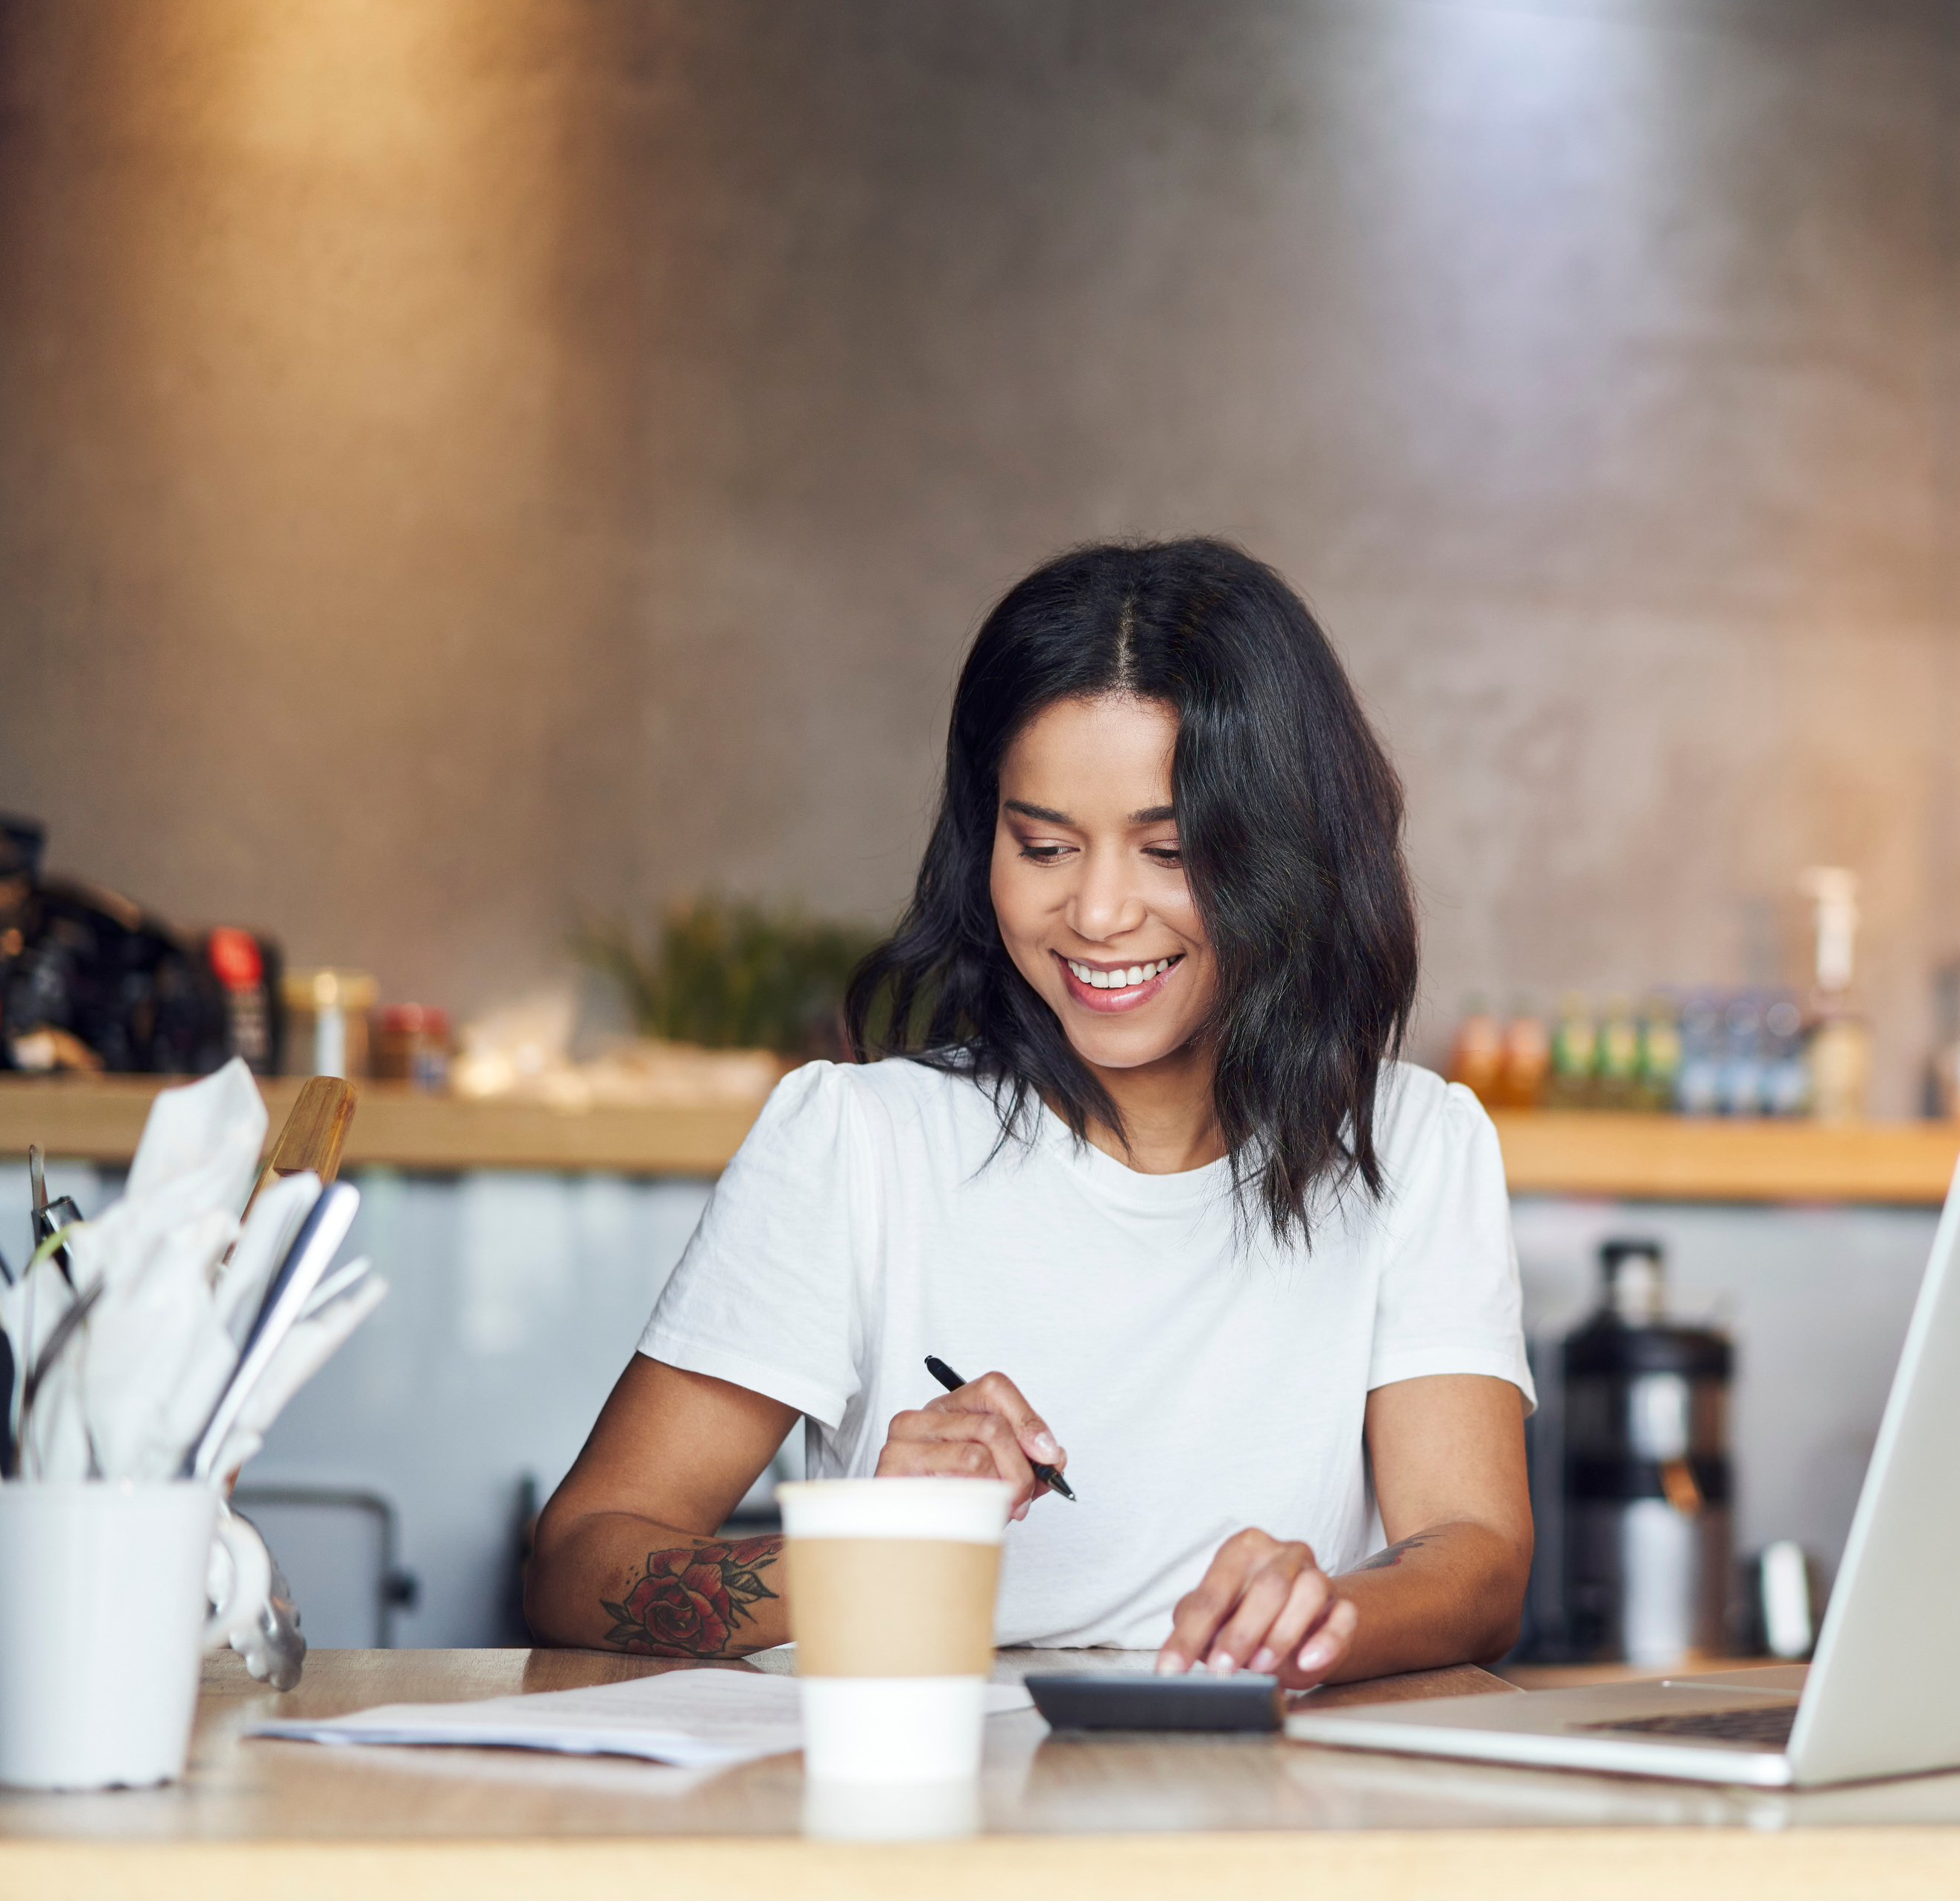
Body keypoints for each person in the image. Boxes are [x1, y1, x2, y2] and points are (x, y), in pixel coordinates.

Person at [526, 540, 1533, 1689]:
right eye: (1043, 845)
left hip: (1267, 1819)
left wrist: (1324, 1614)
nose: (1098, 911)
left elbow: (1479, 1558)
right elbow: (576, 1560)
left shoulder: (1409, 1146)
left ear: (1289, 853)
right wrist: (873, 1548)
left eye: (1169, 850)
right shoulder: (857, 1142)